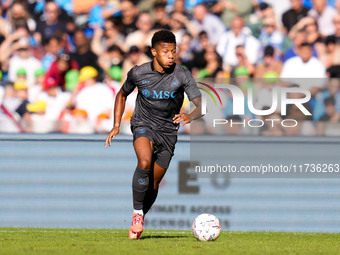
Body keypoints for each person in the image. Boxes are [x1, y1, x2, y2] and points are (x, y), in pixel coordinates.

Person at [105, 30, 202, 239]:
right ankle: (137, 214)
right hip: (143, 124)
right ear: (154, 52)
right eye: (165, 51)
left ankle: (140, 216)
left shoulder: (182, 74)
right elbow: (122, 94)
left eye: (174, 52)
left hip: (168, 132)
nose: (170, 56)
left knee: (154, 184)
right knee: (144, 161)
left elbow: (202, 104)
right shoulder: (138, 73)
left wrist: (191, 116)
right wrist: (115, 125)